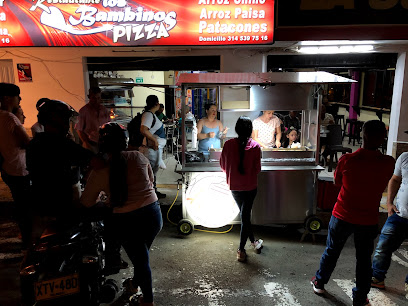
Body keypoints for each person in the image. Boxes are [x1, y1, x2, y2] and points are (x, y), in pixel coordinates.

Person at [311, 120, 395, 306]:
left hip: (342, 215)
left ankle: (320, 282)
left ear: (362, 135)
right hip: (368, 219)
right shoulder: (388, 163)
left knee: (332, 250)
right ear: (383, 138)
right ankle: (360, 297)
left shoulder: (347, 160)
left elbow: (337, 183)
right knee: (364, 259)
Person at [81, 122, 162, 306]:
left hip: (126, 221)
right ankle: (134, 285)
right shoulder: (138, 157)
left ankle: (148, 301)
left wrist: (105, 199)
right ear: (124, 141)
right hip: (153, 215)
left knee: (141, 260)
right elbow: (150, 182)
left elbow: (86, 202)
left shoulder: (100, 170)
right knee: (141, 257)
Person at [26, 100, 94, 244]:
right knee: (75, 238)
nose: (70, 125)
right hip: (61, 203)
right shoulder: (62, 144)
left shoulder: (34, 144)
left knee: (37, 241)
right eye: (68, 120)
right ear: (59, 120)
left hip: (38, 200)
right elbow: (95, 161)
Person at [220, 116, 263, 262]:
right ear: (250, 130)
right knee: (245, 216)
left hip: (234, 186)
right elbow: (257, 169)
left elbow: (223, 166)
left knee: (245, 216)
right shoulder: (256, 147)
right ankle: (241, 250)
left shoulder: (228, 144)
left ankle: (254, 242)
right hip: (250, 187)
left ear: (237, 129)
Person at [371, 151, 408, 294]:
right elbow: (395, 179)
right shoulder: (405, 157)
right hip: (399, 214)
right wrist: (389, 203)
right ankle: (377, 278)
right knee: (383, 246)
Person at [0, 83, 31, 250]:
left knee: (20, 206)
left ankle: (26, 239)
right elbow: (27, 142)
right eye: (17, 96)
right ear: (7, 98)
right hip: (19, 169)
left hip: (7, 168)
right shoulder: (10, 118)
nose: (19, 99)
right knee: (26, 208)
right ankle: (29, 242)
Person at [140, 95, 167, 199]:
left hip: (154, 149)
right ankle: (150, 194)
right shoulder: (148, 115)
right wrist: (154, 140)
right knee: (149, 172)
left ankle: (153, 192)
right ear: (156, 104)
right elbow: (143, 129)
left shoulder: (151, 115)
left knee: (152, 172)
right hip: (150, 150)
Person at [75, 87, 110, 153]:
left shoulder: (104, 110)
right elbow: (79, 129)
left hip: (104, 143)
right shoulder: (83, 111)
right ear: (89, 97)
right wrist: (85, 143)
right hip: (90, 143)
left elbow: (108, 125)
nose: (96, 101)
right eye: (94, 98)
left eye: (98, 98)